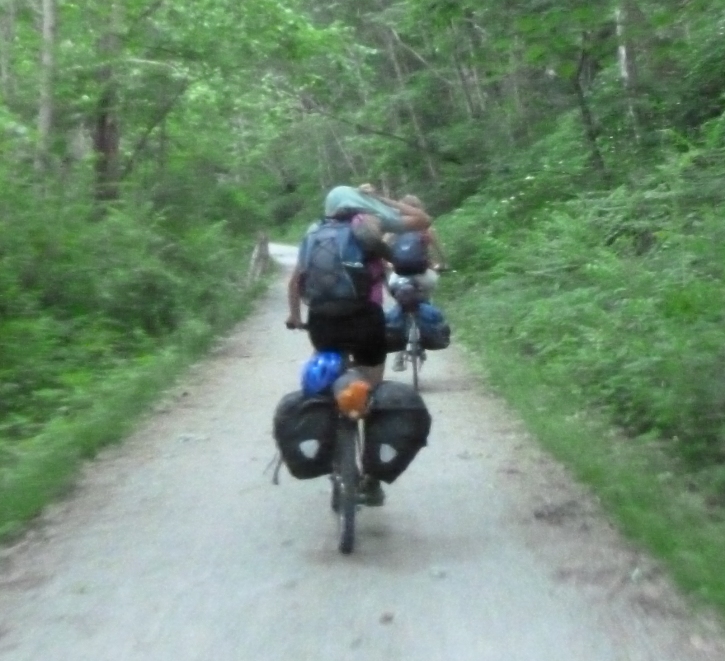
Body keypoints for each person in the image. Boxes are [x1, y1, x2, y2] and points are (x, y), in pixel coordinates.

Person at [385, 195, 448, 371]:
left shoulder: (394, 229)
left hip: (399, 276)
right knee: (425, 299)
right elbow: (440, 253)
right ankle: (426, 334)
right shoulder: (427, 229)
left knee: (401, 301)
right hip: (423, 275)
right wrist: (441, 264)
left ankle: (399, 351)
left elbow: (382, 248)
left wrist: (389, 264)